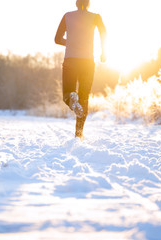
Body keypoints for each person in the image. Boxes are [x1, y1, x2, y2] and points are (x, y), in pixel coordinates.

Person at [55, 0, 106, 140]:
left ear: (76, 3)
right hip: (88, 62)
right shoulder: (96, 17)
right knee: (84, 97)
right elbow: (103, 32)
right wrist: (104, 52)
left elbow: (57, 39)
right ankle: (79, 134)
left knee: (67, 94)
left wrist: (70, 42)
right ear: (88, 3)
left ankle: (72, 99)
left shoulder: (67, 16)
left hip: (70, 60)